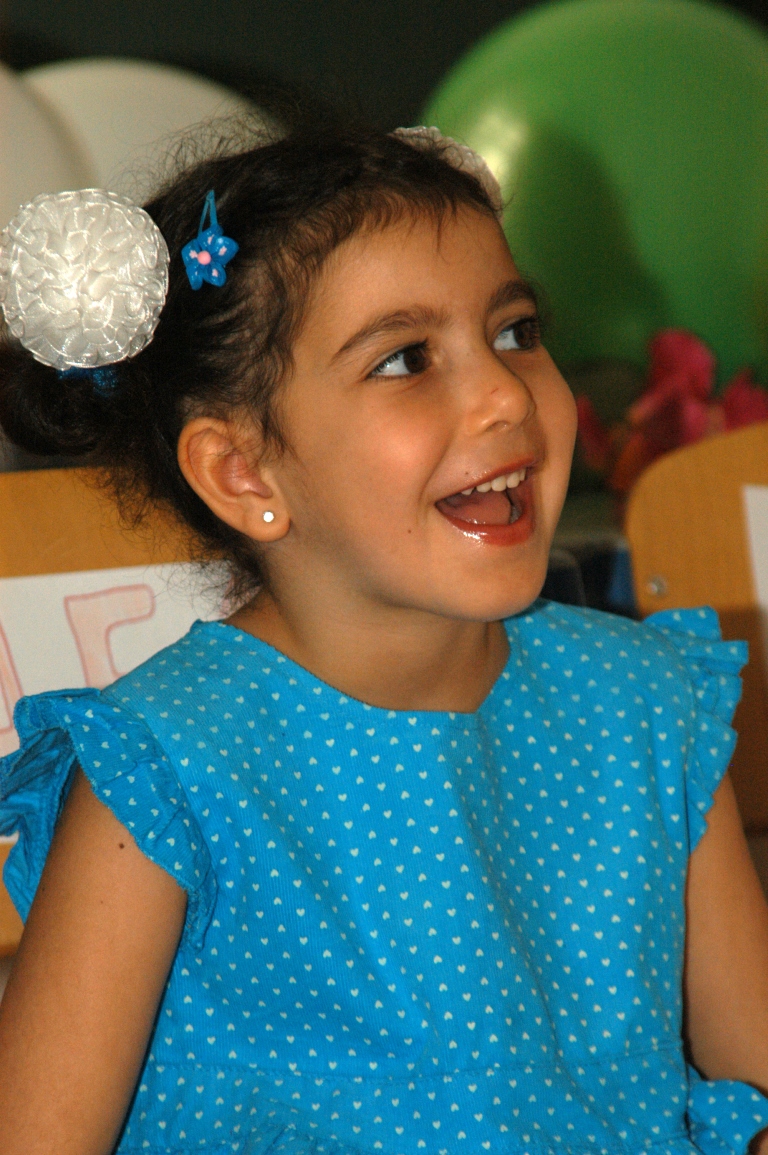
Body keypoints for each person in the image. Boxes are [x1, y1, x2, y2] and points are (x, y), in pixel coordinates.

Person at [0, 108, 767, 1155]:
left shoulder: (646, 705)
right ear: (243, 473)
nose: (503, 395)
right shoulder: (171, 767)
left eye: (515, 332)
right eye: (407, 359)